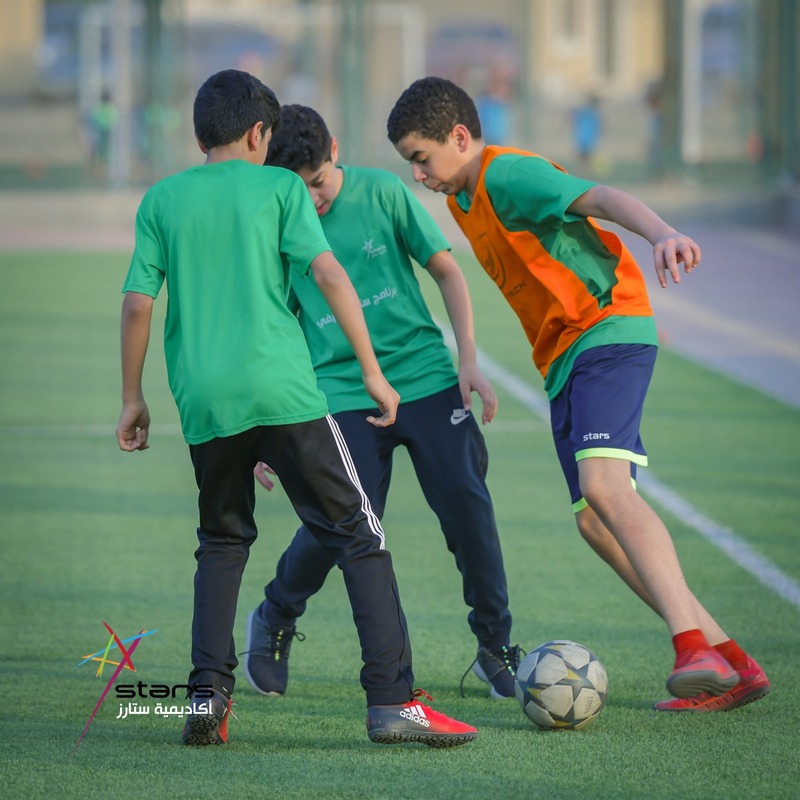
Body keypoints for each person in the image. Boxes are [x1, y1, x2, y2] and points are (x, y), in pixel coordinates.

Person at [115, 69, 477, 749]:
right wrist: (373, 372)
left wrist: (134, 397)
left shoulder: (161, 200)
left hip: (206, 401)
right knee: (359, 535)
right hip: (283, 392)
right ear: (260, 134)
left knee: (221, 541)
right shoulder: (281, 188)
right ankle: (392, 702)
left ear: (200, 135)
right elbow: (328, 273)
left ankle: (207, 696)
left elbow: (138, 304)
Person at [386, 76, 770, 713]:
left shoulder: (509, 175)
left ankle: (690, 647)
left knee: (604, 489)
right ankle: (733, 662)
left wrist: (662, 234)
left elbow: (602, 197)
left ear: (459, 137)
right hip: (564, 360)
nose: (419, 175)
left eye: (422, 158)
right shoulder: (464, 202)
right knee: (595, 522)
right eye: (410, 164)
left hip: (605, 330)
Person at [242, 104, 521, 702]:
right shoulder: (275, 224)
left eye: (318, 183)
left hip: (424, 377)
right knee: (344, 519)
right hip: (340, 391)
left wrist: (468, 360)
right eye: (297, 189)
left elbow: (447, 272)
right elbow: (276, 332)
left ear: (334, 151)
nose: (311, 200)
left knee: (468, 506)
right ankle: (276, 614)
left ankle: (495, 644)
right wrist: (269, 425)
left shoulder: (383, 193)